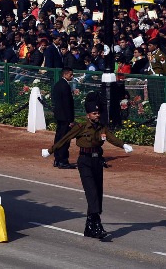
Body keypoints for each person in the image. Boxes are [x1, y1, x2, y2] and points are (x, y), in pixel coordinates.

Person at [42, 99, 133, 240]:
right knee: (92, 193)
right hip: (84, 161)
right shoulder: (81, 127)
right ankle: (96, 225)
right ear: (88, 115)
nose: (97, 115)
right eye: (94, 113)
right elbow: (65, 138)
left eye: (98, 113)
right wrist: (50, 151)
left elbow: (111, 138)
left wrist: (123, 145)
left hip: (97, 161)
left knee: (98, 193)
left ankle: (89, 226)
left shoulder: (102, 127)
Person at [51, 68, 78, 169]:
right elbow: (67, 105)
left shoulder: (58, 84)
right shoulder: (65, 86)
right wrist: (70, 120)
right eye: (71, 74)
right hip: (65, 118)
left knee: (58, 138)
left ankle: (57, 159)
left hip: (59, 116)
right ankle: (63, 161)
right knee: (65, 139)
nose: (72, 76)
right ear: (65, 74)